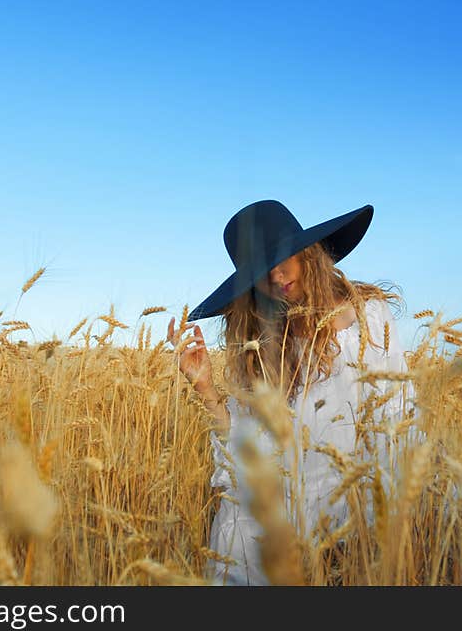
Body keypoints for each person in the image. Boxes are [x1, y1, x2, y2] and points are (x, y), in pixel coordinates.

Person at [167, 200, 417, 585]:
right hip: (283, 501)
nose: (277, 273)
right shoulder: (259, 341)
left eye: (284, 257)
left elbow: (398, 410)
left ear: (307, 253)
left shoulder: (368, 314)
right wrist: (206, 389)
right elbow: (247, 445)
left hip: (354, 495)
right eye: (260, 269)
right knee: (239, 537)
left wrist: (396, 504)